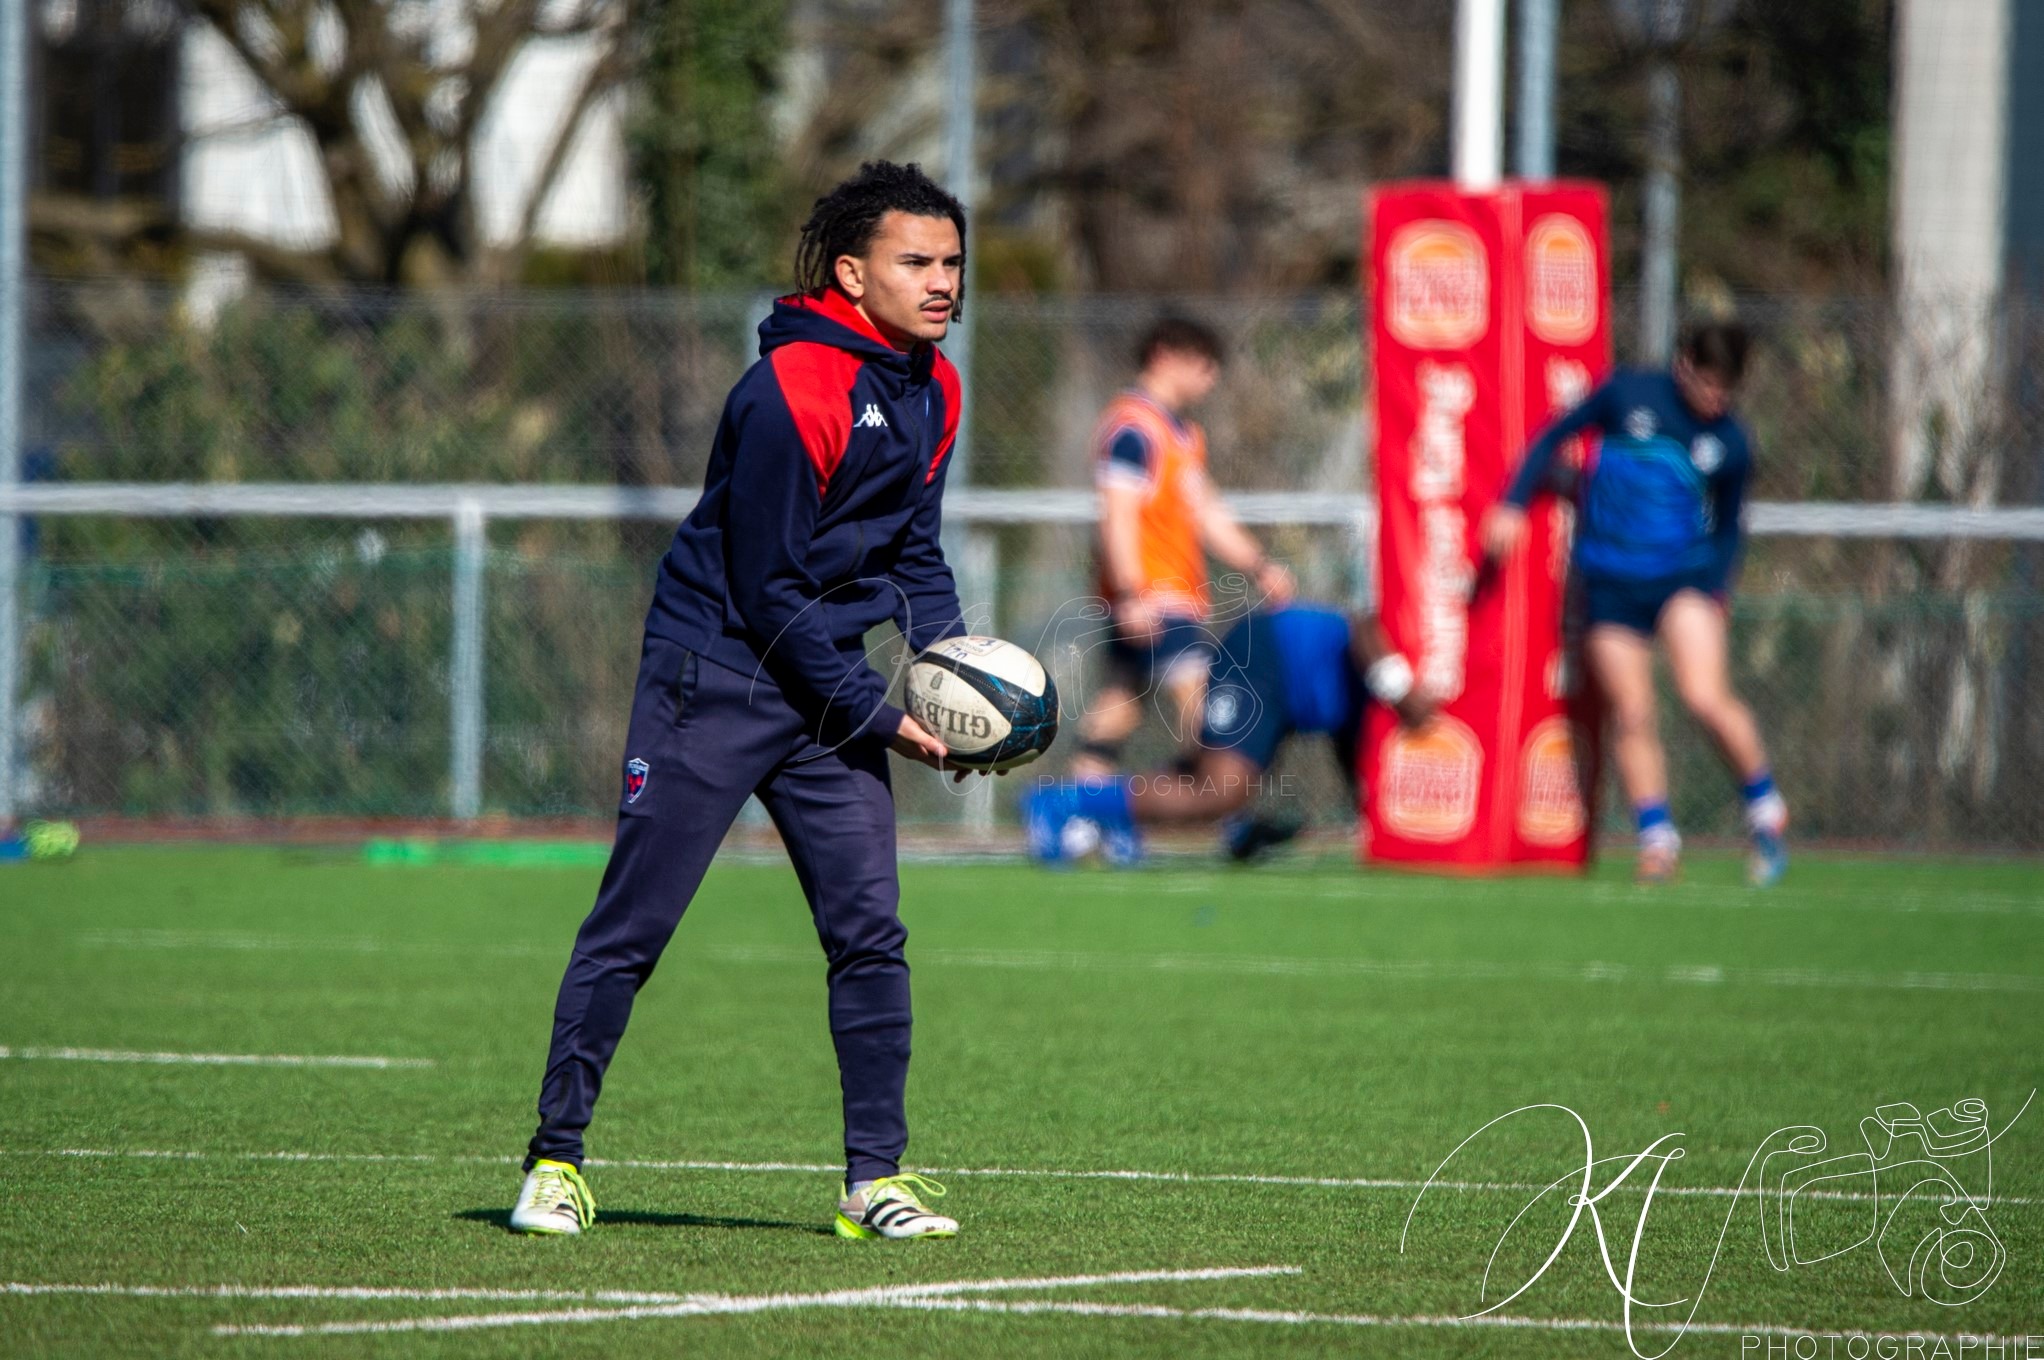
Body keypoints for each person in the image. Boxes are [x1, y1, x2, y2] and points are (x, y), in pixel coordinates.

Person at [509, 162, 985, 1243]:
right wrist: (877, 712)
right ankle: (553, 1159)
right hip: (715, 674)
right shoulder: (791, 391)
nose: (942, 280)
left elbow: (915, 553)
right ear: (855, 273)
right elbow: (764, 590)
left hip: (822, 690)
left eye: (953, 261)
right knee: (634, 926)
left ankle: (875, 1182)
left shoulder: (935, 387)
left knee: (870, 933)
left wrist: (956, 676)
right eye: (918, 261)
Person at [1478, 321, 1787, 886]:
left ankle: (1764, 805)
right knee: (1633, 712)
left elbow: (1728, 529)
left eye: (1727, 388)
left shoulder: (1732, 442)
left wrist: (1717, 588)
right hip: (1609, 581)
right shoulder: (1627, 394)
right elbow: (1552, 436)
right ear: (1683, 365)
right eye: (1708, 383)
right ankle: (1656, 839)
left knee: (1703, 697)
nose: (1715, 397)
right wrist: (1515, 502)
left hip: (1682, 582)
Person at [1023, 604, 1433, 864]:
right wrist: (1400, 690)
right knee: (1220, 789)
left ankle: (1120, 810)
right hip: (1264, 653)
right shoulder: (1406, 648)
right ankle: (1066, 801)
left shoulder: (1373, 709)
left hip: (1290, 693)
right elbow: (1364, 623)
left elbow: (1353, 756)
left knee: (1209, 777)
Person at [1071, 318, 1295, 788]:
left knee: (1120, 706)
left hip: (1165, 594)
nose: (1210, 378)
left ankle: (1075, 809)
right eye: (1203, 365)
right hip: (1154, 595)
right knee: (1203, 709)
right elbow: (1118, 515)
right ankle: (1222, 810)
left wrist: (1258, 564)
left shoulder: (1182, 434)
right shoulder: (1134, 428)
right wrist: (1132, 592)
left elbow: (1206, 511)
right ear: (1165, 355)